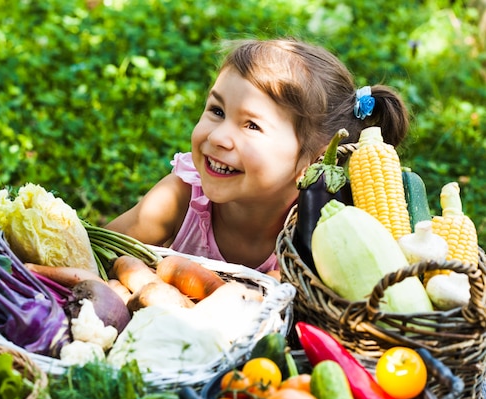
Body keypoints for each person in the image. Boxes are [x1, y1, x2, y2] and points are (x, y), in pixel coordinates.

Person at [105, 37, 410, 274]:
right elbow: (94, 255)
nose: (218, 137)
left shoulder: (316, 233)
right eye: (217, 110)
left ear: (312, 161)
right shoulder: (179, 199)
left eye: (251, 125)